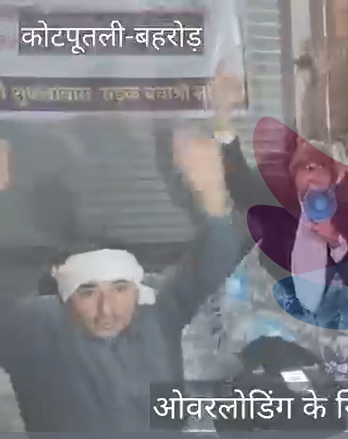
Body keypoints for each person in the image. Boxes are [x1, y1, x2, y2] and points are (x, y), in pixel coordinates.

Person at [0, 134, 244, 431]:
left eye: (119, 289)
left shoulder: (159, 317)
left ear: (137, 290)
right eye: (87, 292)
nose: (107, 310)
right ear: (64, 297)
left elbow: (214, 264)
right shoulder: (36, 332)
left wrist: (212, 195)